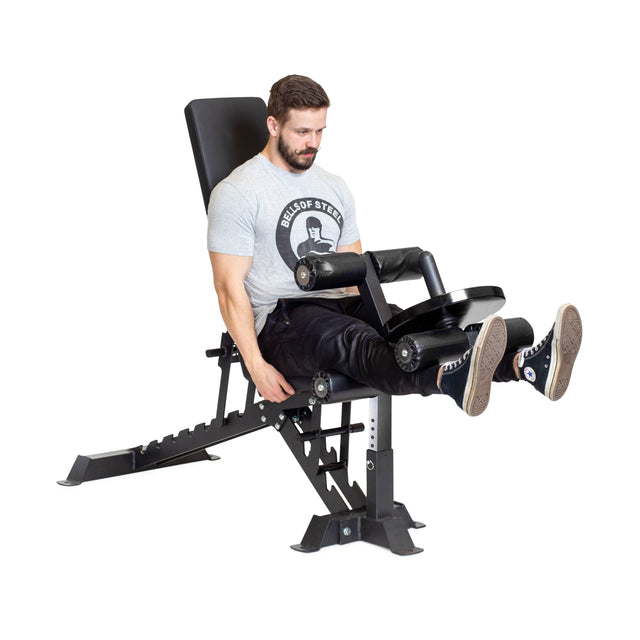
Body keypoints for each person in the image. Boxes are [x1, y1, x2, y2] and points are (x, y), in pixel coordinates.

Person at [207, 75, 582, 416]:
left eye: (320, 131)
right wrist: (256, 366)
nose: (313, 144)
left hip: (340, 302)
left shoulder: (333, 186)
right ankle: (447, 380)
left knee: (417, 333)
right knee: (355, 340)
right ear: (273, 126)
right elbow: (228, 290)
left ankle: (525, 364)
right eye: (302, 132)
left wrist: (390, 318)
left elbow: (353, 269)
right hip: (282, 320)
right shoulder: (238, 192)